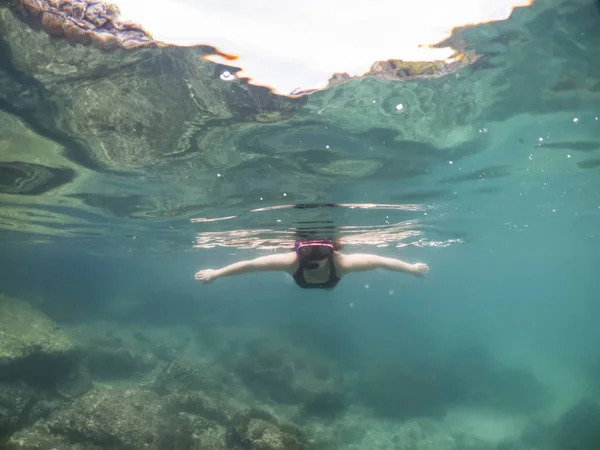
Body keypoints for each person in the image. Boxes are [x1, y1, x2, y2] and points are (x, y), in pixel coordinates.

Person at [194, 238, 429, 289]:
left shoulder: (342, 263)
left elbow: (381, 261)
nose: (314, 258)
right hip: (300, 279)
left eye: (320, 254)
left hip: (329, 281)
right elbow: (251, 264)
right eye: (309, 254)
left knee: (327, 287)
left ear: (331, 253)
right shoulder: (291, 261)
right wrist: (216, 274)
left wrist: (411, 268)